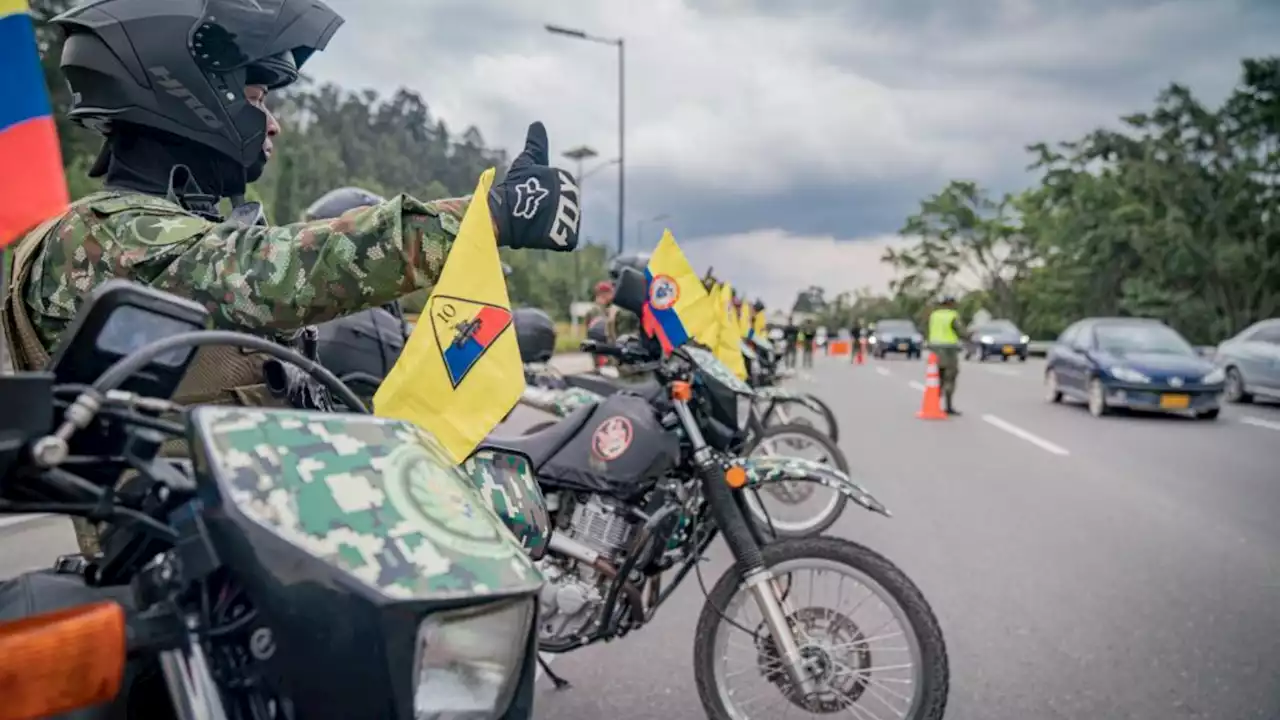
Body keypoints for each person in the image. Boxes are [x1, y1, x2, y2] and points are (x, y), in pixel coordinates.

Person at [0, 0, 581, 557]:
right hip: (184, 599)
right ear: (183, 92)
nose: (271, 124)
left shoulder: (158, 236)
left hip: (253, 576)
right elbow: (279, 269)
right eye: (257, 97)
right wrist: (489, 216)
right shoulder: (103, 237)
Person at [928, 294, 968, 415]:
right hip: (949, 351)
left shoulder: (934, 315)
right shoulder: (952, 316)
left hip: (934, 351)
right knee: (950, 378)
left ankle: (934, 404)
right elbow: (960, 331)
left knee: (936, 379)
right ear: (950, 304)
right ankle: (948, 406)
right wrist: (969, 335)